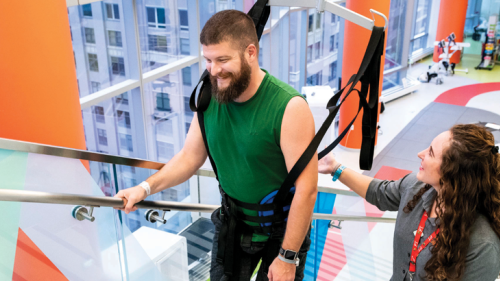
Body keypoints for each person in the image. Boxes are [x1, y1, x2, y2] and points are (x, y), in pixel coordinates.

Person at [114, 10, 318, 281]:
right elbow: (189, 157)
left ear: (250, 52)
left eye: (223, 59)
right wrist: (144, 188)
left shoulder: (289, 107)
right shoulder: (210, 97)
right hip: (233, 222)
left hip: (283, 229)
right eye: (208, 60)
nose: (214, 70)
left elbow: (307, 189)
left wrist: (287, 257)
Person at [318, 123, 500, 281]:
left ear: (452, 172)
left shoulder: (483, 247)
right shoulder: (416, 186)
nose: (420, 154)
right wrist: (334, 167)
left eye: (430, 153)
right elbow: (379, 192)